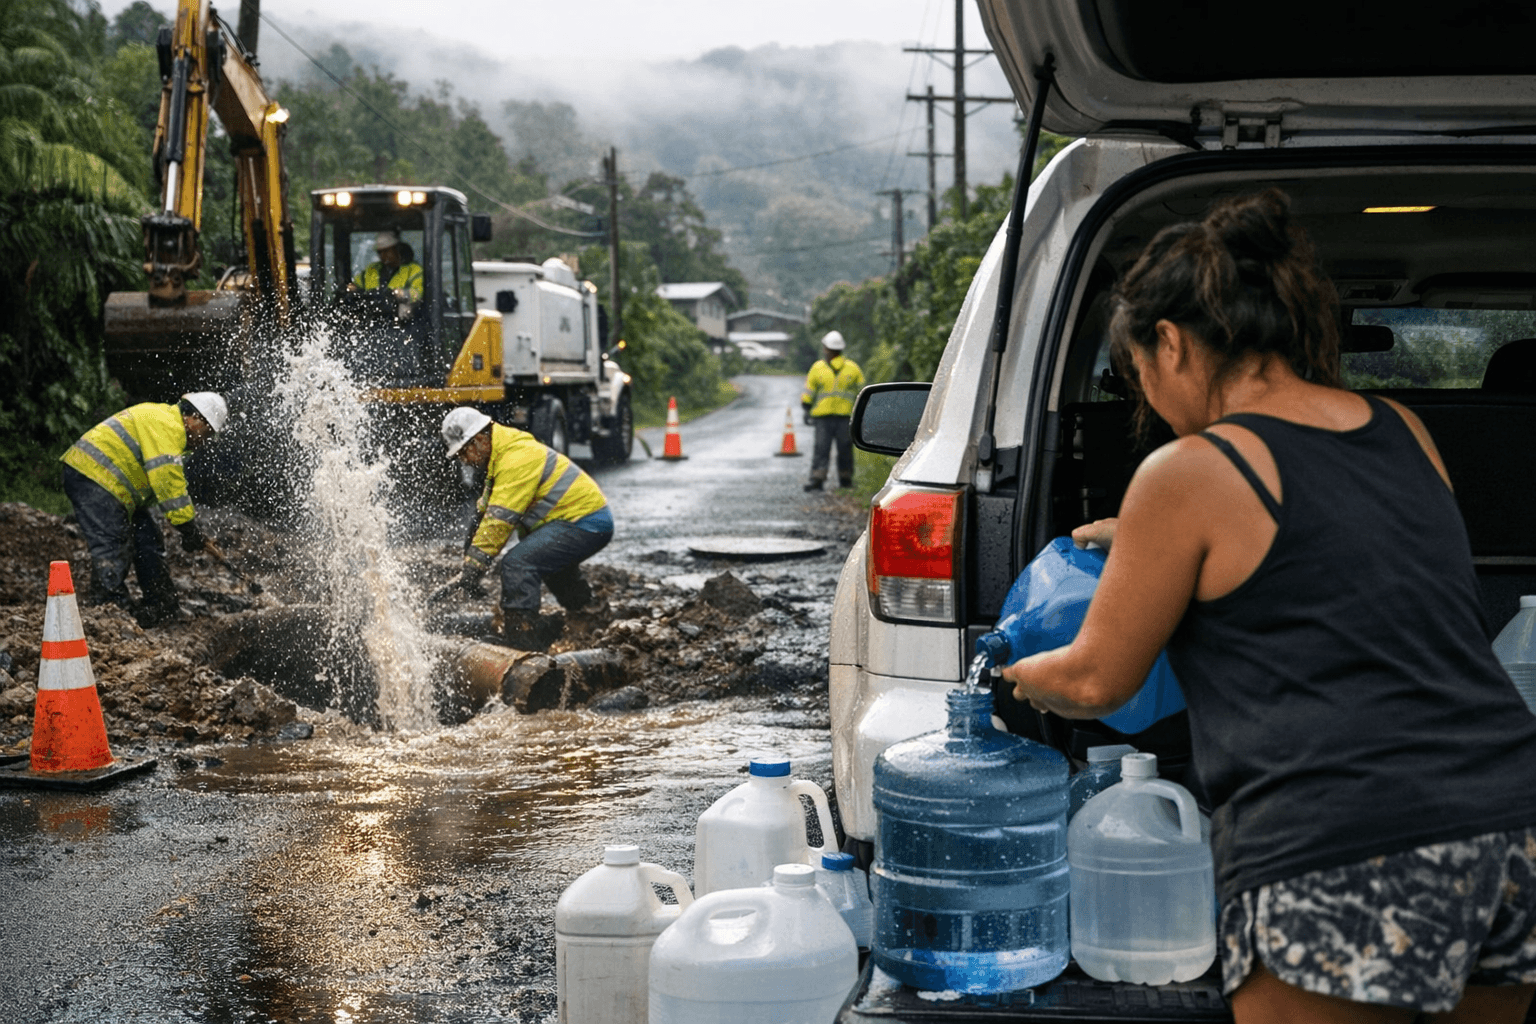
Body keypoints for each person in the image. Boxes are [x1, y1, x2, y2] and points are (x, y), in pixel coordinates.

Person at [1002, 189, 1536, 1023]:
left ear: (1170, 343)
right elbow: (1341, 556)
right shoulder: (1400, 426)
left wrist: (1015, 671)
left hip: (1343, 841)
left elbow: (1098, 681)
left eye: (1139, 370)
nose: (1148, 394)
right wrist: (1148, 542)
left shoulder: (1188, 471)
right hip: (1508, 826)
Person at [440, 407, 613, 650]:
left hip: (586, 521)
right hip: (576, 520)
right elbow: (483, 515)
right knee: (550, 564)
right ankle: (588, 616)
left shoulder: (515, 458)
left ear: (479, 440)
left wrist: (475, 568)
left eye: (463, 453)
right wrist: (469, 566)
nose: (464, 461)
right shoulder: (499, 457)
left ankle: (522, 642)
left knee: (518, 563)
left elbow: (498, 522)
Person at [60, 392, 228, 626]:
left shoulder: (166, 424)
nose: (205, 441)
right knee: (113, 542)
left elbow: (158, 485)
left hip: (115, 486)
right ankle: (108, 612)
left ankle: (162, 603)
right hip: (94, 476)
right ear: (195, 418)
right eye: (207, 433)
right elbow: (168, 483)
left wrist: (188, 528)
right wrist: (188, 528)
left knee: (148, 539)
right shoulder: (168, 426)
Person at [800, 330, 864, 491]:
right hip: (838, 417)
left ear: (827, 349)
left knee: (826, 448)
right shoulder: (853, 368)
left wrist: (806, 409)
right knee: (837, 448)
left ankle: (823, 479)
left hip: (836, 417)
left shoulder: (819, 368)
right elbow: (863, 392)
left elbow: (809, 391)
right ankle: (841, 479)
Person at [352, 230, 424, 302]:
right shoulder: (371, 269)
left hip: (401, 311)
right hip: (372, 311)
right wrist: (352, 288)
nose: (382, 255)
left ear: (396, 249)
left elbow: (418, 293)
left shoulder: (414, 270)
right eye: (380, 252)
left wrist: (403, 294)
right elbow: (355, 285)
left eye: (386, 251)